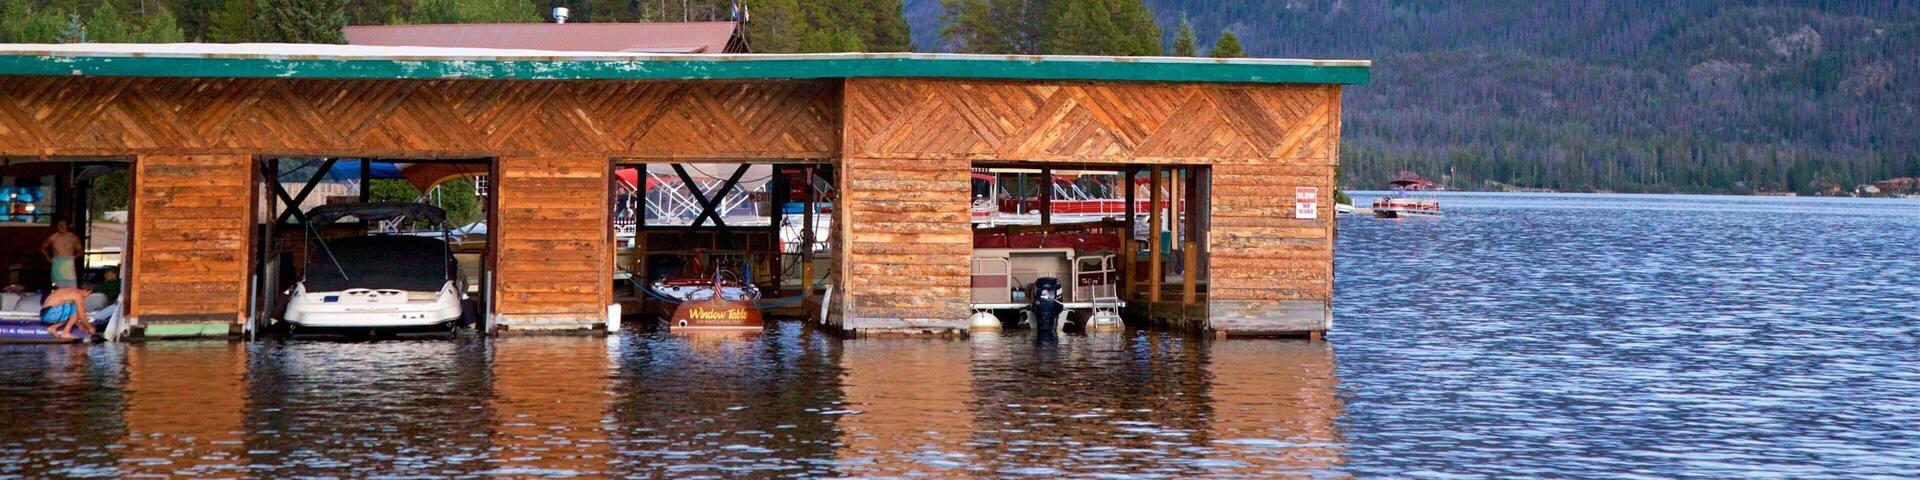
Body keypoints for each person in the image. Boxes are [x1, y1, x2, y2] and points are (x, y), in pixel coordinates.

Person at [40, 220, 81, 288]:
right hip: (57, 264)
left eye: (63, 224)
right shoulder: (53, 237)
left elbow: (80, 252)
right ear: (57, 226)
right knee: (58, 288)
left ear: (67, 226)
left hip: (69, 265)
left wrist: (72, 258)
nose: (61, 227)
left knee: (71, 290)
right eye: (59, 225)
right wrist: (48, 257)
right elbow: (42, 248)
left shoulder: (73, 238)